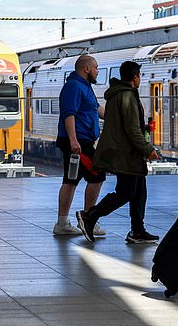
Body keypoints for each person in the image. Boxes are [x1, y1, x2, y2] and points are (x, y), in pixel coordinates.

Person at [76, 61, 160, 244]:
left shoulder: (117, 94)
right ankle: (90, 216)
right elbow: (131, 130)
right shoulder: (127, 96)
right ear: (135, 76)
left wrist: (143, 127)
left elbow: (124, 125)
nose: (140, 79)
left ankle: (137, 231)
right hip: (125, 154)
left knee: (139, 191)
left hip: (123, 152)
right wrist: (148, 150)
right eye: (139, 76)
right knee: (125, 192)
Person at [53, 55, 107, 236]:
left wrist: (117, 116)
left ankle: (62, 224)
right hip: (78, 143)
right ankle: (88, 219)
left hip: (80, 141)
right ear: (87, 69)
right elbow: (69, 115)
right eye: (96, 68)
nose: (97, 71)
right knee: (97, 176)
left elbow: (97, 109)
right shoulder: (74, 87)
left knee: (71, 181)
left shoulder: (85, 87)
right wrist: (74, 141)